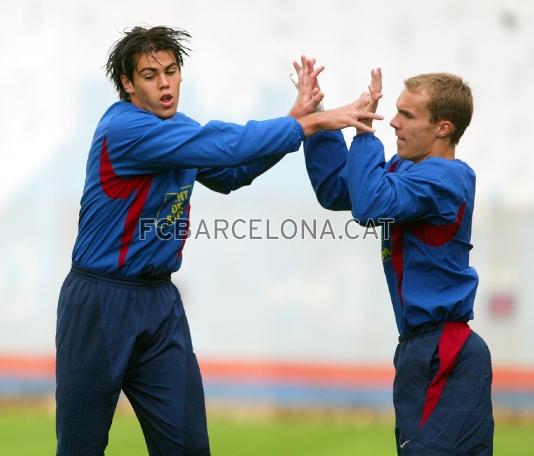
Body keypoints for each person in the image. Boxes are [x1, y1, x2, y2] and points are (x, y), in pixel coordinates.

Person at [55, 26, 381, 456]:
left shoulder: (179, 128)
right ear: (127, 85)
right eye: (150, 75)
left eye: (171, 71)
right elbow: (228, 147)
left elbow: (230, 173)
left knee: (189, 446)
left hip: (159, 303)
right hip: (100, 301)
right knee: (81, 446)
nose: (165, 82)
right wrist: (311, 121)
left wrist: (296, 117)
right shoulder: (125, 129)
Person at [299, 65, 494, 454]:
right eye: (395, 111)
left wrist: (364, 131)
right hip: (420, 350)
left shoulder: (447, 177)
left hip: (445, 350)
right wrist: (321, 121)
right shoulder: (407, 170)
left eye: (407, 115)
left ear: (443, 128)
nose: (393, 122)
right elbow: (338, 190)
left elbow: (370, 206)